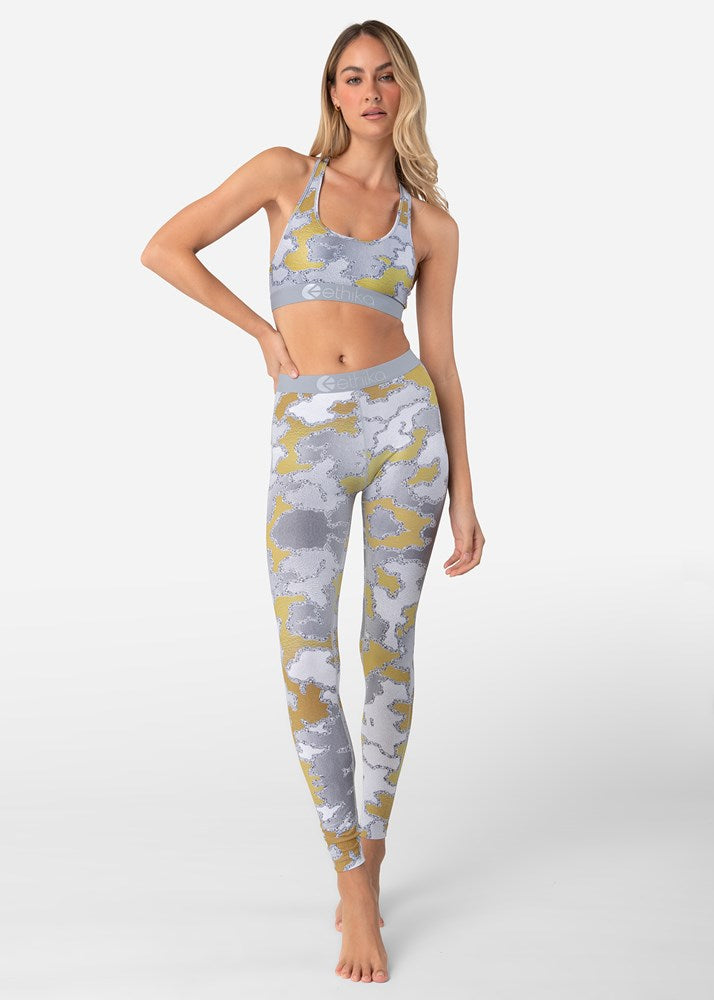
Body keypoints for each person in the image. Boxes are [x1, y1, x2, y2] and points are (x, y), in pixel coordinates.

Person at [141, 18, 485, 985]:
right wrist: (261, 332)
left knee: (388, 653)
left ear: (405, 91)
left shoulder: (431, 224)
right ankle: (351, 876)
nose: (370, 91)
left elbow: (444, 363)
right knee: (308, 661)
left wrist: (466, 493)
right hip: (310, 439)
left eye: (385, 76)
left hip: (407, 430)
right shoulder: (283, 175)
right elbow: (166, 248)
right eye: (352, 76)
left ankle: (369, 862)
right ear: (333, 92)